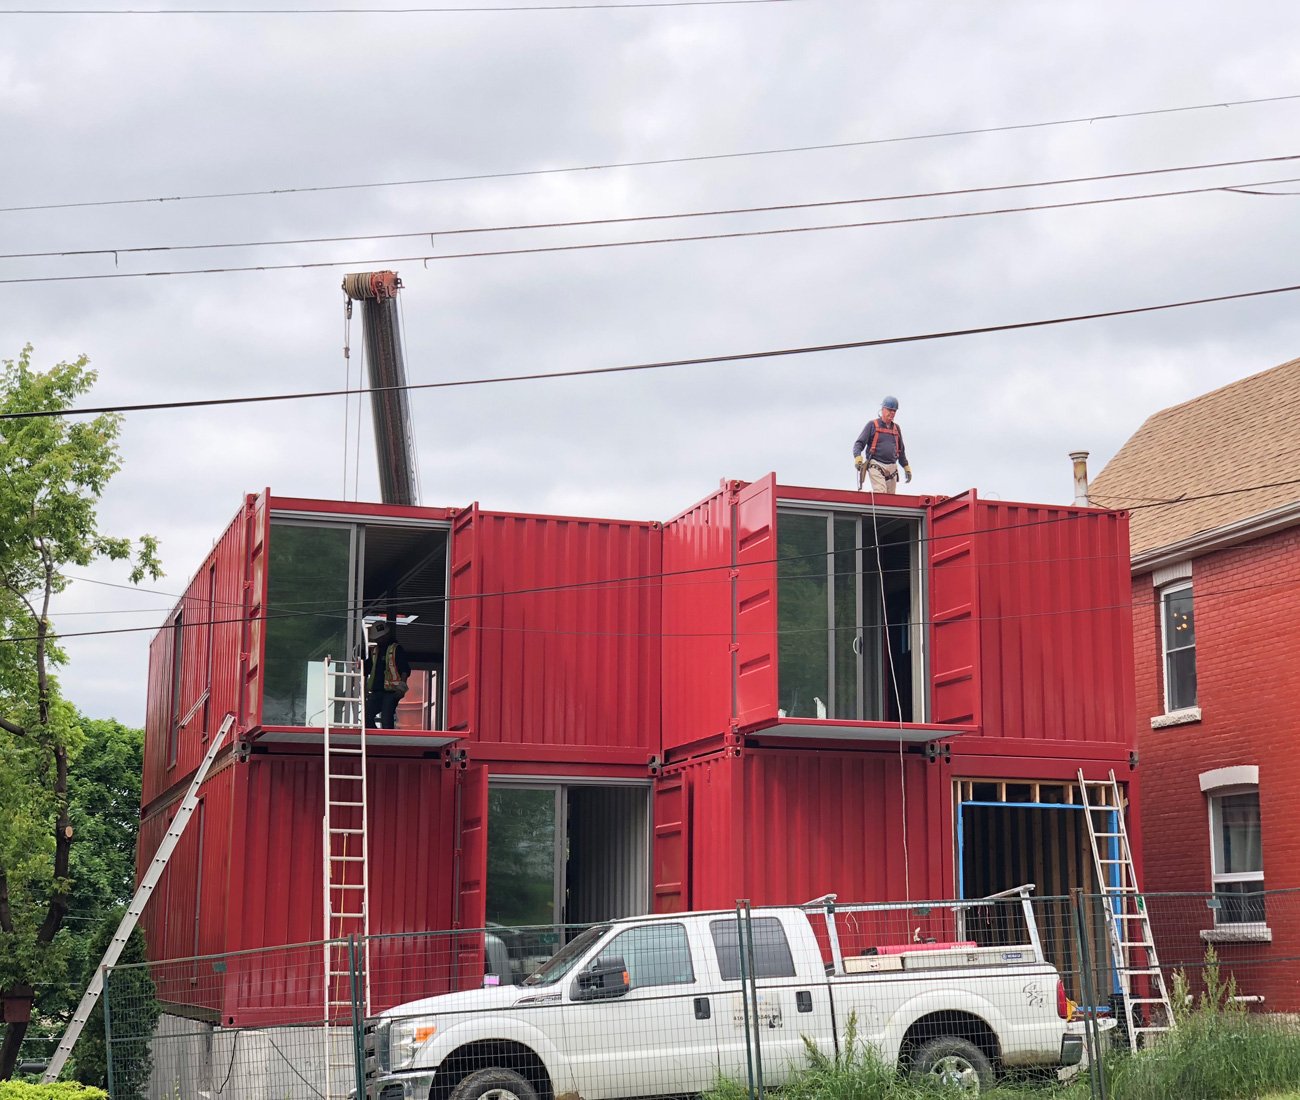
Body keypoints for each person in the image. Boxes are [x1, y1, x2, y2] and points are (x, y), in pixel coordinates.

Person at [853, 395, 912, 494]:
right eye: (890, 410)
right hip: (876, 465)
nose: (892, 413)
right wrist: (858, 457)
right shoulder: (872, 425)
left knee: (890, 500)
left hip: (892, 468)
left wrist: (906, 467)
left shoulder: (896, 428)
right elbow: (859, 443)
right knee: (881, 493)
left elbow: (901, 450)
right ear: (883, 409)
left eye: (894, 411)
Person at [364, 620, 411, 730]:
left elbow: (405, 669)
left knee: (386, 718)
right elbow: (366, 669)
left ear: (386, 635)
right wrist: (364, 688)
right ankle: (375, 738)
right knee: (367, 716)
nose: (379, 640)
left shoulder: (396, 649)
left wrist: (401, 688)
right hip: (376, 691)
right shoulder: (375, 651)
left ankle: (387, 739)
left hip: (391, 692)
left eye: (381, 637)